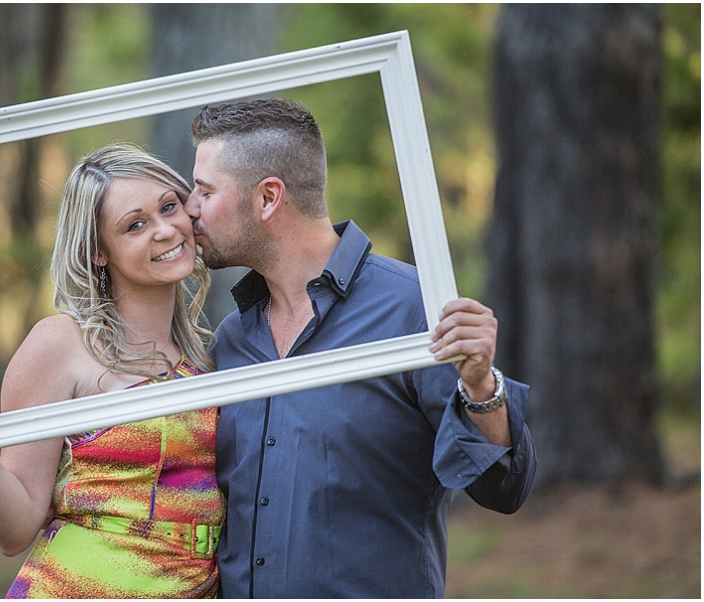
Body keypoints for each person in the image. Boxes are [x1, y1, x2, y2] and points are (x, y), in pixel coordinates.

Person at [183, 98, 537, 598]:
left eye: (204, 189)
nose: (189, 207)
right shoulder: (231, 342)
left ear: (267, 198)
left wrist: (481, 385)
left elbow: (504, 487)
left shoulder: (415, 310)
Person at [0, 144, 225, 598]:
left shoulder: (211, 354)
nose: (164, 230)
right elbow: (15, 530)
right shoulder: (62, 344)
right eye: (135, 225)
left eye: (168, 207)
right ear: (99, 252)